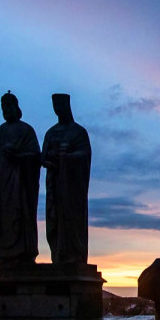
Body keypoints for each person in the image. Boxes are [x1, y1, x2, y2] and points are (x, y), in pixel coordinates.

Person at [0, 91, 41, 264]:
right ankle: (5, 254)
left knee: (21, 215)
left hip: (20, 184)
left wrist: (18, 156)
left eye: (9, 106)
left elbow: (36, 156)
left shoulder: (26, 130)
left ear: (16, 107)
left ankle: (23, 254)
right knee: (4, 219)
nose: (6, 110)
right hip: (3, 186)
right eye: (3, 107)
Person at [42, 93, 91, 263]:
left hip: (72, 188)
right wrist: (53, 157)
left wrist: (68, 156)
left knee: (72, 222)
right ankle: (58, 256)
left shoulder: (79, 132)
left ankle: (74, 257)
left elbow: (85, 154)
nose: (58, 109)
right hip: (55, 185)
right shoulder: (51, 133)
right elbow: (43, 158)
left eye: (60, 105)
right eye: (55, 106)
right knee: (54, 220)